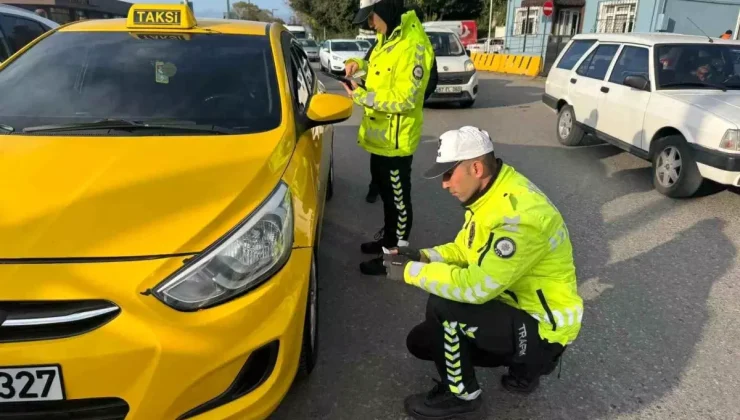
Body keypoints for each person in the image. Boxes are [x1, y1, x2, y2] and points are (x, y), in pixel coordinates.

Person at [383, 126, 584, 419]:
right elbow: (465, 250)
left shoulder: (520, 217)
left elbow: (475, 288)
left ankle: (464, 397)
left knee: (444, 306)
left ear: (475, 168)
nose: (443, 184)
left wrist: (409, 272)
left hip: (543, 328)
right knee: (422, 341)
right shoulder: (492, 194)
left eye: (448, 174)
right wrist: (423, 256)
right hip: (513, 306)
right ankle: (524, 367)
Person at [342, 0, 435, 275]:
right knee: (385, 194)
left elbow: (406, 99)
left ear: (385, 11)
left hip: (396, 142)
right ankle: (388, 241)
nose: (370, 25)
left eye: (371, 18)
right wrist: (353, 65)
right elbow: (371, 66)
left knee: (398, 201)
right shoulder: (387, 38)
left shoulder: (413, 46)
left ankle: (396, 258)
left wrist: (360, 96)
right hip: (379, 139)